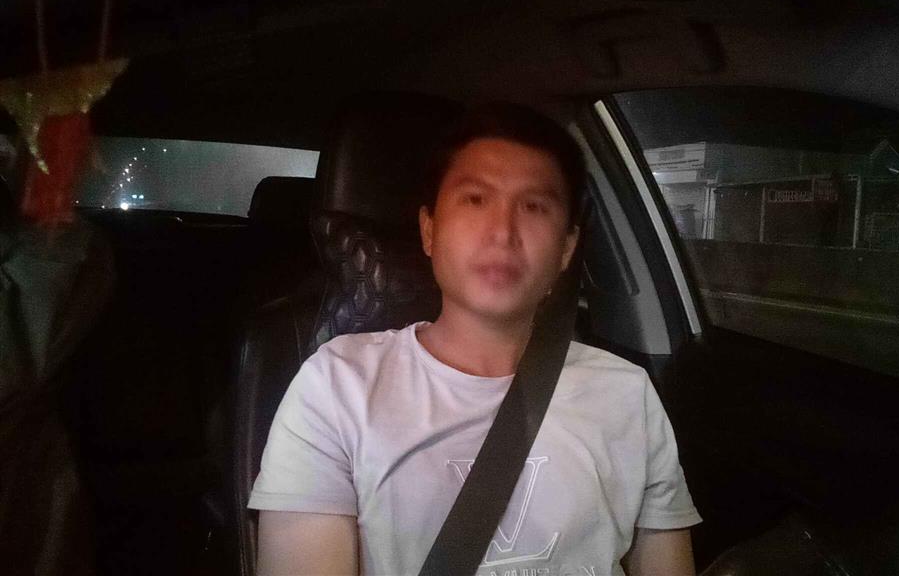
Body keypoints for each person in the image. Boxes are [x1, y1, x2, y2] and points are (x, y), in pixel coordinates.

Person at [249, 103, 701, 575]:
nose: (502, 233)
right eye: (475, 199)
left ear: (566, 249)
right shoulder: (338, 386)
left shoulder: (627, 394)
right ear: (429, 230)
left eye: (534, 206)